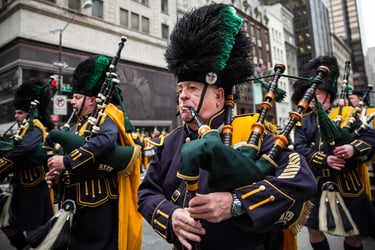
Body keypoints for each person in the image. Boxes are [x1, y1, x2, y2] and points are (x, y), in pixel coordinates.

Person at [138, 3, 317, 250]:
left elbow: (301, 178)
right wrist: (171, 217)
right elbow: (147, 193)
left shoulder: (252, 130)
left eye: (192, 89)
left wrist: (235, 203)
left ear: (219, 96)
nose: (182, 96)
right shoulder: (171, 141)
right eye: (180, 89)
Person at [44, 55, 142, 250]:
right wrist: (57, 177)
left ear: (92, 100)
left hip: (100, 210)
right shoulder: (75, 128)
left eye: (78, 97)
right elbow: (68, 167)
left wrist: (66, 162)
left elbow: (105, 141)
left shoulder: (106, 118)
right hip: (77, 210)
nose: (73, 101)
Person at [292, 55, 375, 250]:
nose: (312, 98)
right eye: (308, 94)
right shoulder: (303, 121)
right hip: (316, 184)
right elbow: (300, 149)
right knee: (313, 230)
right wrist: (326, 160)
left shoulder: (346, 114)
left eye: (317, 93)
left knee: (352, 235)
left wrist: (352, 148)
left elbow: (370, 138)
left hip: (347, 183)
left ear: (328, 95)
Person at [0, 78, 54, 250]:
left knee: (37, 234)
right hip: (20, 189)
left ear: (30, 112)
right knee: (6, 224)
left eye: (20, 113)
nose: (16, 116)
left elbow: (25, 148)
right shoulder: (22, 130)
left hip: (36, 192)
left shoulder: (35, 126)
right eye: (15, 113)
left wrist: (4, 162)